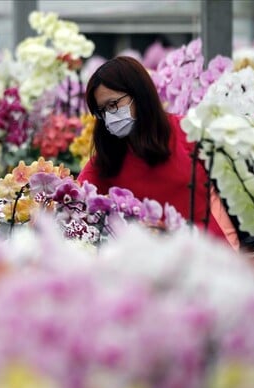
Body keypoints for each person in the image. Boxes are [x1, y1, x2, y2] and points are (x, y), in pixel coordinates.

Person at [77, 56, 239, 250]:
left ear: (139, 94)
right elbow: (73, 200)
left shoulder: (188, 131)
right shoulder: (107, 159)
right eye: (102, 111)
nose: (109, 117)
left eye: (113, 105)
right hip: (151, 267)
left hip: (210, 256)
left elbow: (229, 193)